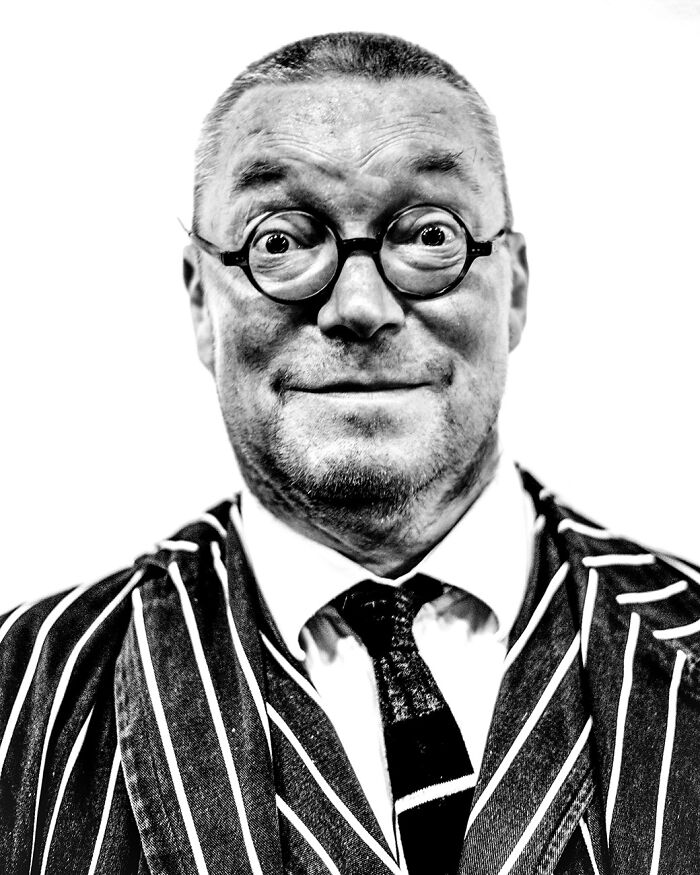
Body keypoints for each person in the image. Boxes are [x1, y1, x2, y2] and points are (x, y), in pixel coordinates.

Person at [1, 31, 698, 875]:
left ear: (515, 285)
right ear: (198, 299)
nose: (360, 304)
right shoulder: (22, 695)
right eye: (281, 241)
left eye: (430, 235)